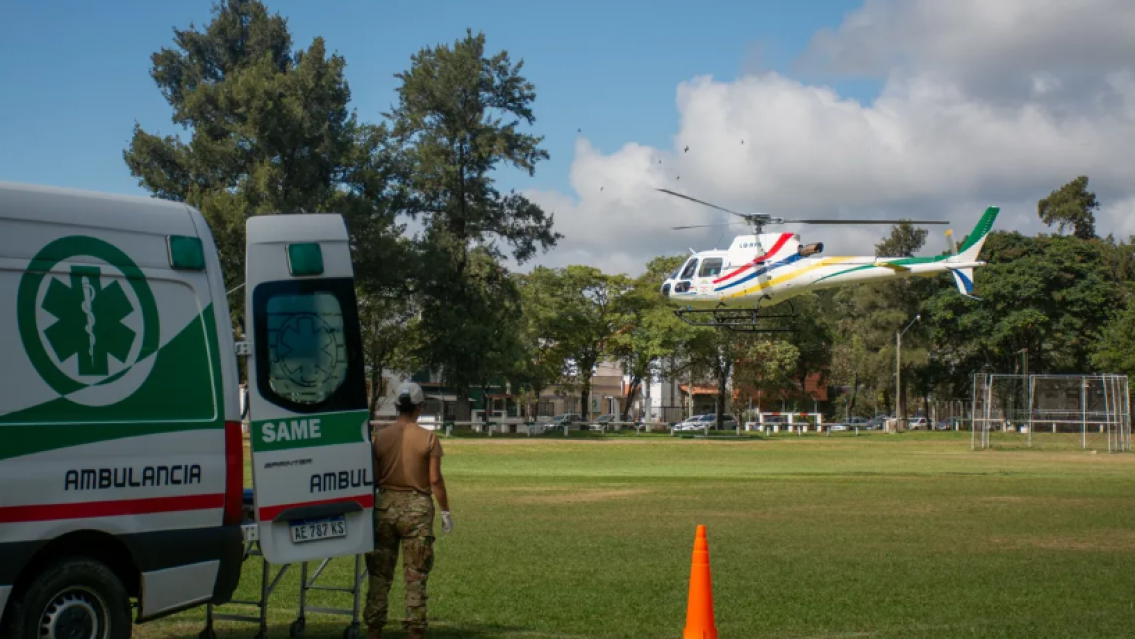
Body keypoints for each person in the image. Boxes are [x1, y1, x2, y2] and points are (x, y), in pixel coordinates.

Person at [365, 382, 452, 639]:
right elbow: (435, 480)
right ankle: (415, 629)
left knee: (379, 575)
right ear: (420, 407)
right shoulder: (429, 438)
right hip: (417, 511)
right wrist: (445, 512)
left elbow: (375, 478)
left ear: (396, 406)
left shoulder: (382, 437)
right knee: (415, 576)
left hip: (384, 508)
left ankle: (374, 629)